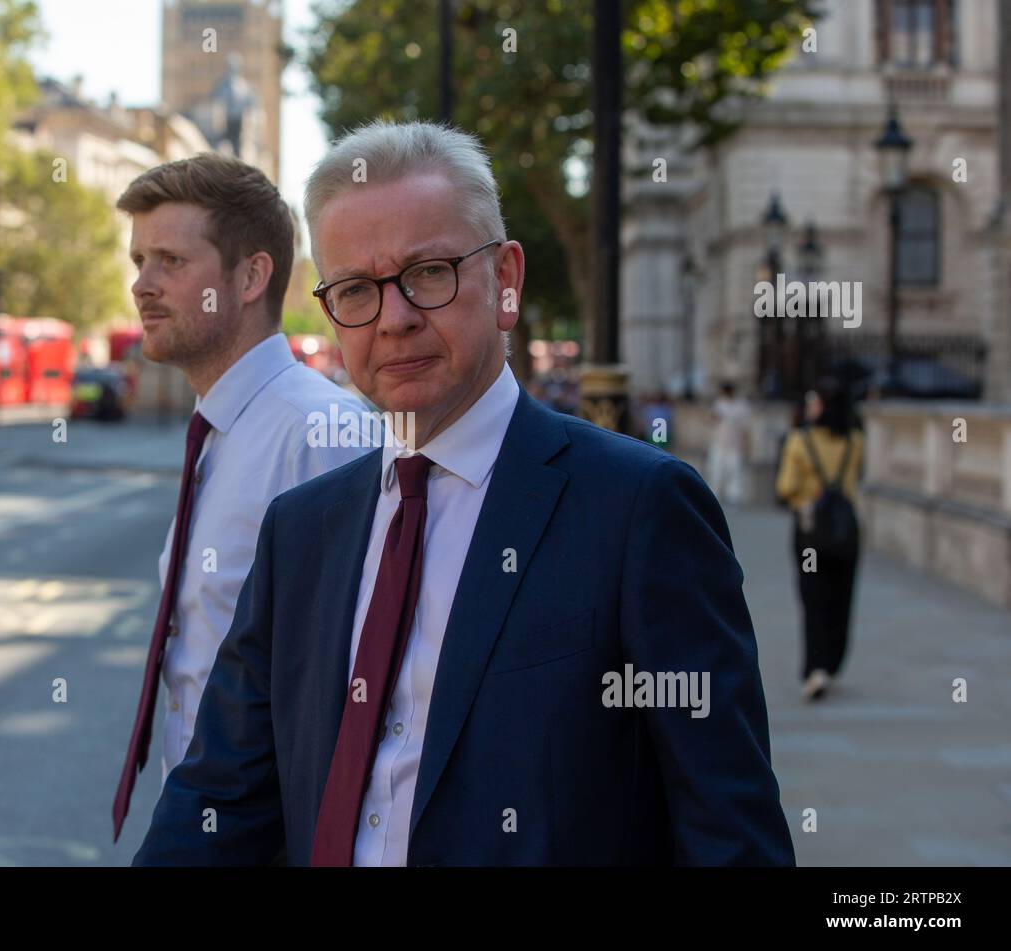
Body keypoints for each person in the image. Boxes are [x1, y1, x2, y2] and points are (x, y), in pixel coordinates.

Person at [134, 121, 794, 866]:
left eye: (429, 273)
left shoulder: (640, 511)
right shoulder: (301, 530)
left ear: (505, 280)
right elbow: (222, 794)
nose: (395, 317)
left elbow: (729, 835)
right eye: (357, 290)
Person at [110, 153, 370, 842]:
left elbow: (355, 684)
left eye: (170, 260)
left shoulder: (321, 435)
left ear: (251, 276)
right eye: (139, 260)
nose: (142, 284)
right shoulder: (221, 431)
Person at [775, 380, 865, 702]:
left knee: (813, 598)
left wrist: (805, 493)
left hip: (811, 534)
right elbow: (858, 478)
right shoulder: (855, 441)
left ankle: (815, 668)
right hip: (846, 533)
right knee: (842, 598)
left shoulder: (800, 441)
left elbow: (785, 487)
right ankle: (833, 661)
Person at [707, 382, 752, 505]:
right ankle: (714, 495)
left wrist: (746, 444)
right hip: (719, 444)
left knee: (734, 471)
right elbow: (712, 419)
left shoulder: (741, 405)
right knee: (716, 470)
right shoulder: (719, 404)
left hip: (734, 445)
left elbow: (745, 427)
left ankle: (734, 496)